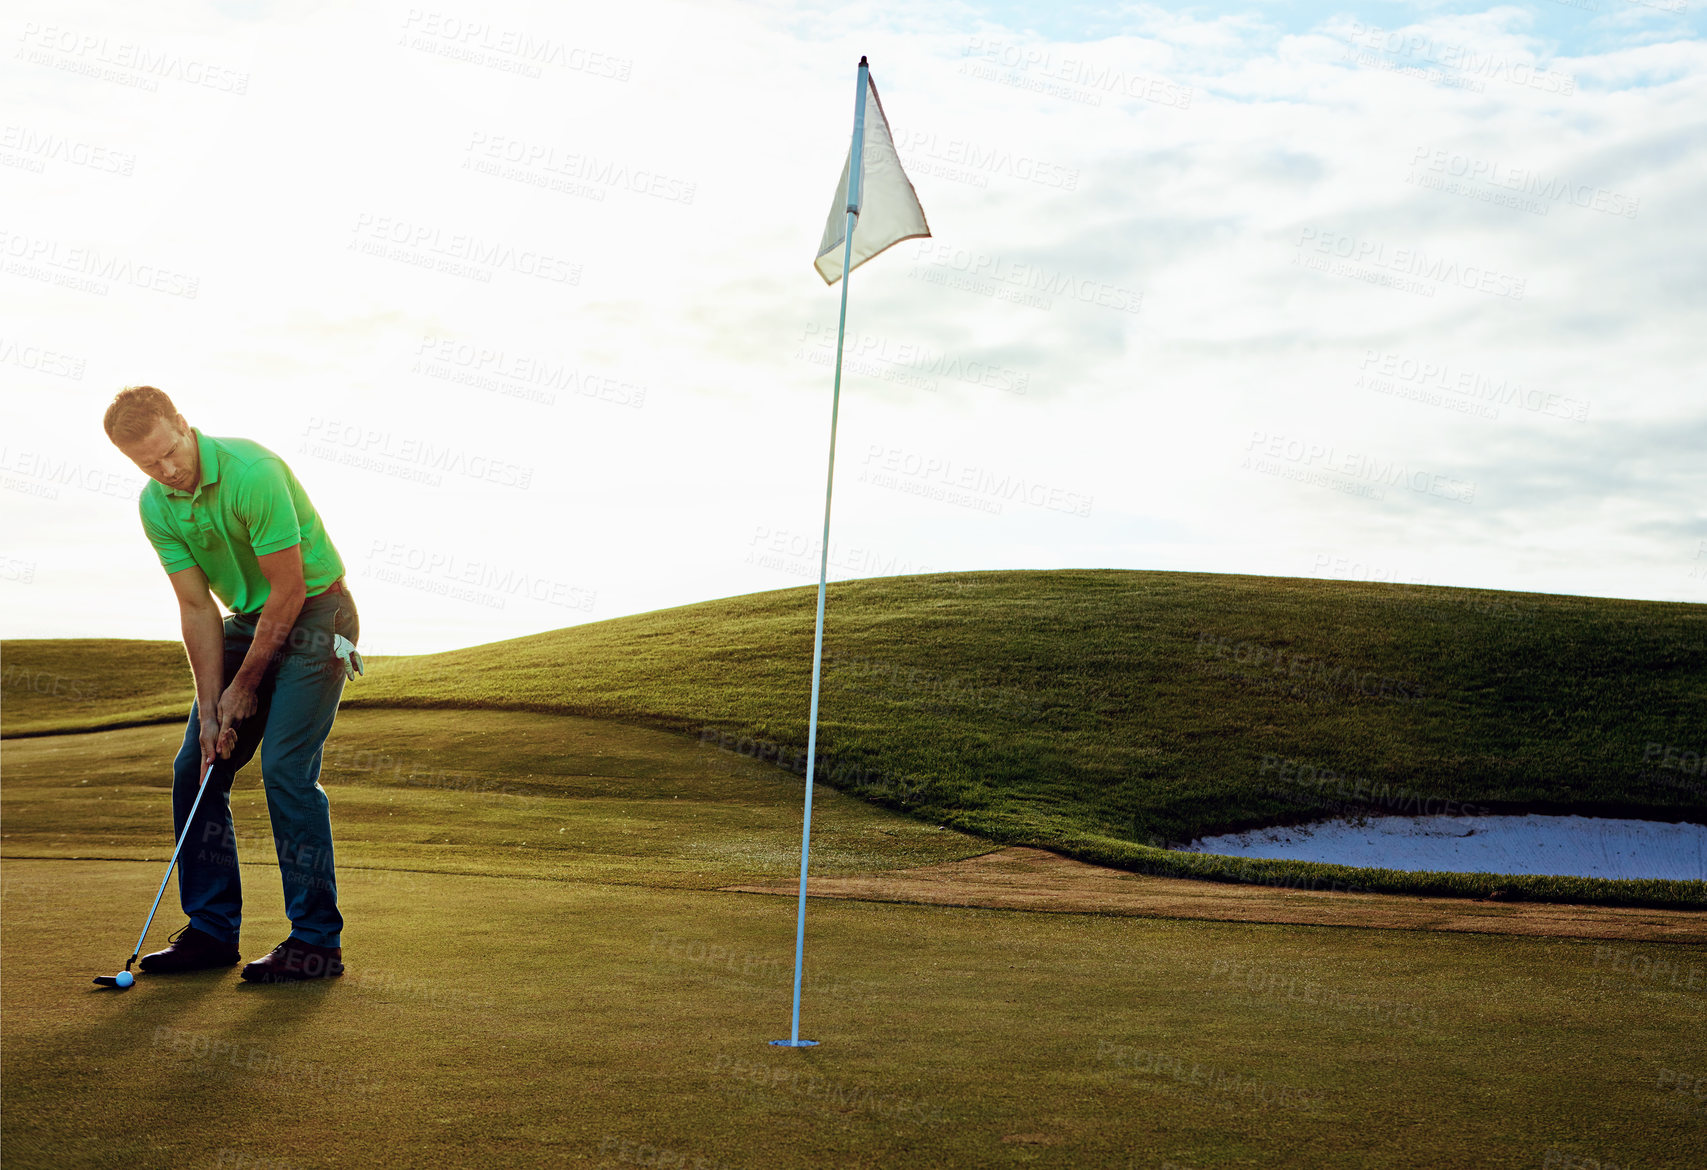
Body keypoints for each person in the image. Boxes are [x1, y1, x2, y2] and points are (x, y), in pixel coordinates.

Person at [104, 385, 361, 983]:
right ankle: (212, 930)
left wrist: (244, 687)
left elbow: (291, 589)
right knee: (196, 764)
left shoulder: (253, 472)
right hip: (245, 622)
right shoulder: (156, 505)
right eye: (150, 464)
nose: (169, 470)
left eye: (172, 451)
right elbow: (196, 609)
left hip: (319, 615)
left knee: (285, 770)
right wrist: (210, 707)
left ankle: (317, 943)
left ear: (184, 425)